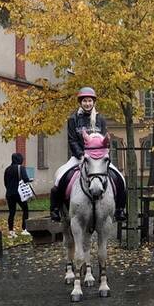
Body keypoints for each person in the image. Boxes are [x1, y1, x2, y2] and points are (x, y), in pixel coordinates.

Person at [49, 87, 128, 222]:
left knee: (120, 178)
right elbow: (72, 140)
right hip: (79, 157)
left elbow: (103, 140)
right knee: (60, 178)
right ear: (81, 102)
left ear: (93, 102)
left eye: (90, 101)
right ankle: (55, 209)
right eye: (84, 101)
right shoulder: (73, 119)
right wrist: (81, 155)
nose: (87, 103)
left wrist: (102, 154)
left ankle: (120, 209)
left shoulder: (100, 119)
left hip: (98, 158)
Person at [4, 152, 31, 237]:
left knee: (12, 212)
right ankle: (24, 229)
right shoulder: (21, 168)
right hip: (20, 194)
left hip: (9, 194)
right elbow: (26, 179)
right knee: (25, 209)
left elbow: (5, 182)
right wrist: (30, 179)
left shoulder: (7, 169)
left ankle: (11, 231)